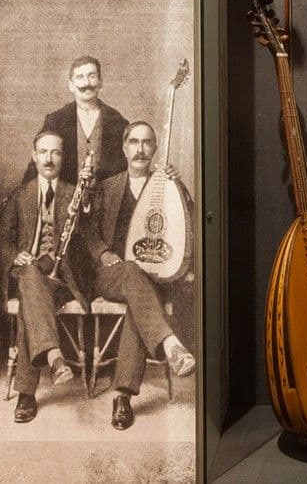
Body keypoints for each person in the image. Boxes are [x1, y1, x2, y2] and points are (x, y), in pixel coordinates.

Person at [90, 121, 195, 429]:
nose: (139, 149)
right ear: (124, 147)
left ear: (155, 149)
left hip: (154, 278)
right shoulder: (107, 186)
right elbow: (88, 230)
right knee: (134, 275)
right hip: (112, 274)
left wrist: (181, 188)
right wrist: (103, 253)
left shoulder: (166, 184)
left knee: (141, 301)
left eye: (147, 143)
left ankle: (122, 397)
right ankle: (171, 344)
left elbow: (187, 223)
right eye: (133, 142)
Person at [0, 131, 96, 423]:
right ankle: (54, 358)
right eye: (43, 152)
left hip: (64, 278)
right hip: (32, 272)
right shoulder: (21, 193)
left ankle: (27, 393)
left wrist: (86, 199)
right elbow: (3, 238)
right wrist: (15, 255)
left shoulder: (73, 191)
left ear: (63, 157)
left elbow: (89, 232)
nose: (49, 158)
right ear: (33, 155)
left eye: (55, 152)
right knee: (29, 278)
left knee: (31, 299)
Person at [25, 55, 128, 186]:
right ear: (71, 86)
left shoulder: (116, 121)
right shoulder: (56, 120)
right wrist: (20, 199)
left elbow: (125, 170)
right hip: (63, 201)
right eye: (80, 77)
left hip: (106, 200)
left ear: (100, 83)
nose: (86, 83)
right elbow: (37, 163)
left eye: (92, 76)